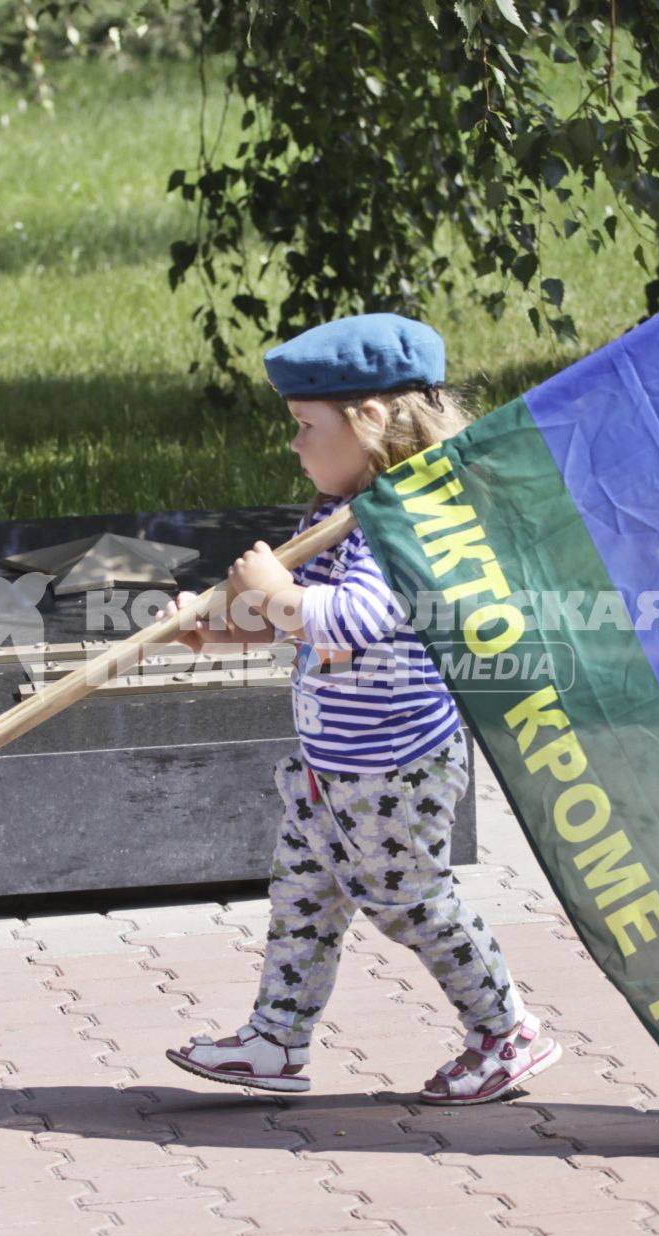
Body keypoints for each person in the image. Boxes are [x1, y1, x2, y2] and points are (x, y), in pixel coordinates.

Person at [160, 313, 560, 1106]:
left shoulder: (401, 525)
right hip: (332, 767)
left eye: (306, 426)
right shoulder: (336, 512)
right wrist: (224, 627)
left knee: (413, 903)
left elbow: (349, 621)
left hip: (395, 772)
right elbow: (311, 634)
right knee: (302, 897)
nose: (294, 444)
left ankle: (507, 1030)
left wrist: (274, 594)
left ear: (370, 421)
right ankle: (277, 1039)